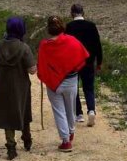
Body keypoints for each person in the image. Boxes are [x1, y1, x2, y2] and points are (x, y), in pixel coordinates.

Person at [37, 15, 89, 153]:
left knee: (59, 111)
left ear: (49, 29)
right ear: (62, 26)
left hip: (53, 84)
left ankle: (65, 141)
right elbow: (81, 58)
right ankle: (70, 133)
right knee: (71, 109)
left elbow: (41, 65)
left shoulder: (44, 45)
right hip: (71, 82)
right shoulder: (72, 41)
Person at [0, 17, 36, 160]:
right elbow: (32, 70)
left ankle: (11, 146)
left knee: (7, 114)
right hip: (20, 87)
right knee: (23, 110)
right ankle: (27, 138)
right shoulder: (24, 48)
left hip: (2, 85)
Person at [66, 4, 104, 127]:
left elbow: (65, 46)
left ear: (72, 13)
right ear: (83, 13)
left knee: (74, 88)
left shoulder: (69, 27)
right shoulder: (91, 26)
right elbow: (98, 45)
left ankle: (79, 114)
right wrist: (99, 62)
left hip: (73, 63)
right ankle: (91, 110)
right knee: (89, 88)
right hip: (88, 62)